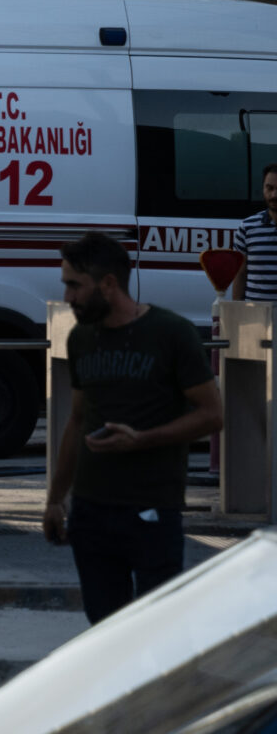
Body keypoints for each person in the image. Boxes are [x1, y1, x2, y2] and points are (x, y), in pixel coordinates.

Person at [44, 233, 222, 623]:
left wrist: (144, 439)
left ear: (108, 284)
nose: (68, 296)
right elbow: (77, 419)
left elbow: (212, 414)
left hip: (152, 506)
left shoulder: (170, 333)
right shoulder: (82, 339)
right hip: (91, 510)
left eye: (75, 285)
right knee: (104, 629)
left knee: (155, 630)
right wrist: (56, 498)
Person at [237, 163, 277, 303]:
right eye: (269, 188)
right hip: (254, 317)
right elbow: (240, 274)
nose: (274, 195)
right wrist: (237, 313)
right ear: (263, 188)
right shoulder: (247, 227)